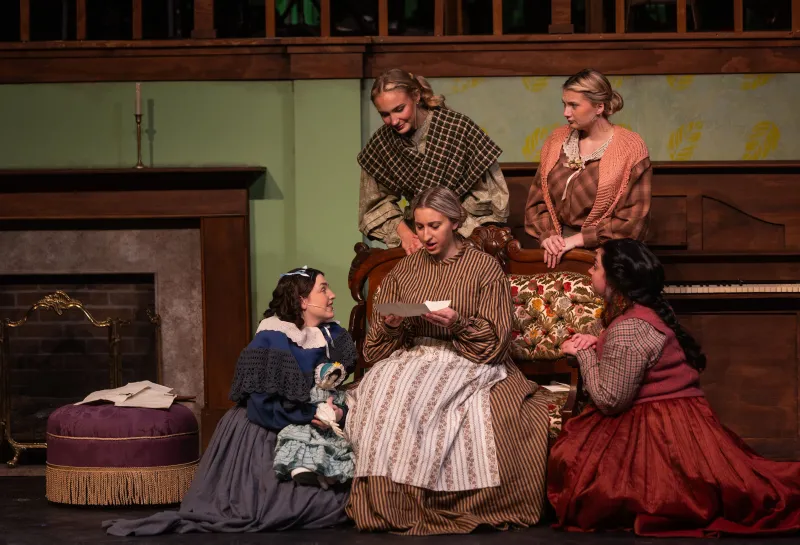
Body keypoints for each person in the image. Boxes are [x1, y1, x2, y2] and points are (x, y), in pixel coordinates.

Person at [549, 239, 800, 537]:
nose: (590, 272)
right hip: (673, 415)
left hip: (664, 427)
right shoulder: (633, 313)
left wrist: (584, 354)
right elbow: (614, 340)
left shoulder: (630, 327)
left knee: (585, 475)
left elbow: (610, 400)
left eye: (595, 266)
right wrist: (594, 340)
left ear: (615, 279)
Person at [345, 186, 550, 535]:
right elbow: (375, 351)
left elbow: (496, 343)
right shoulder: (404, 270)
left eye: (434, 226)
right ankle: (387, 500)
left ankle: (440, 498)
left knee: (433, 400)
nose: (425, 235)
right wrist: (392, 324)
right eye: (419, 226)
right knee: (383, 391)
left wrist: (458, 323)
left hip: (467, 357)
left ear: (455, 222)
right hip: (414, 355)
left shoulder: (484, 268)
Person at [104, 267, 357, 536]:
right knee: (278, 505)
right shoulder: (271, 337)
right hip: (266, 424)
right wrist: (308, 414)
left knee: (343, 495)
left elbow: (334, 383)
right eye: (323, 289)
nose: (332, 295)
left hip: (313, 420)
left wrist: (335, 409)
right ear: (302, 300)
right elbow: (262, 405)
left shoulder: (331, 335)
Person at [358, 68, 509, 255]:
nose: (394, 121)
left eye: (399, 109)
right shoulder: (380, 145)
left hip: (465, 234)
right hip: (418, 238)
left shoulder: (457, 128)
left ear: (416, 96)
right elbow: (373, 205)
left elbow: (492, 199)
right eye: (385, 114)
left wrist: (448, 227)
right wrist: (406, 235)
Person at [524, 68, 652, 268]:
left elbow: (633, 219)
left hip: (610, 257)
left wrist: (578, 240)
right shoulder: (556, 141)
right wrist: (548, 236)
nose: (566, 113)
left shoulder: (631, 148)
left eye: (574, 105)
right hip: (555, 253)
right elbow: (537, 200)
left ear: (599, 107)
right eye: (564, 104)